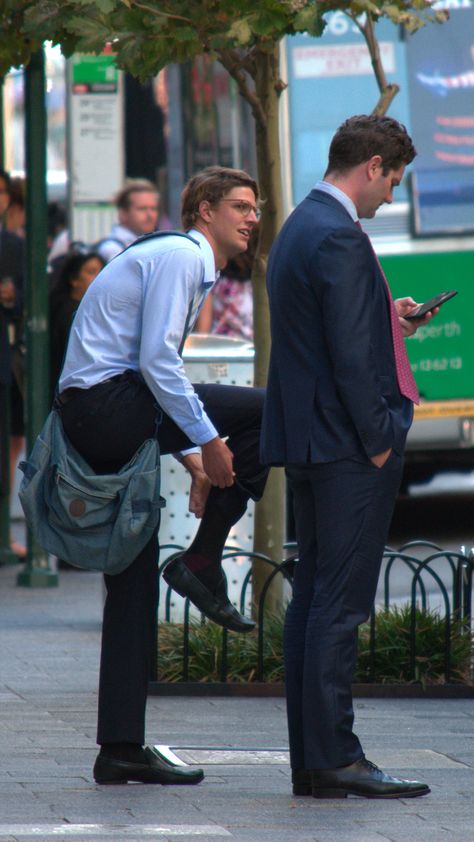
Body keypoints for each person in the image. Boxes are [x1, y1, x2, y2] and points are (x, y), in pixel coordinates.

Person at [55, 165, 268, 785]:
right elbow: (155, 364)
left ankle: (119, 748)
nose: (252, 218)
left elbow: (145, 373)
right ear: (204, 210)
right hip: (107, 405)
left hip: (103, 411)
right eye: (239, 205)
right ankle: (202, 560)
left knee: (133, 580)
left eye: (254, 208)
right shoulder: (184, 256)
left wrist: (193, 459)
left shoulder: (180, 259)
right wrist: (208, 441)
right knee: (270, 412)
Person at [261, 115, 438, 800]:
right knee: (338, 608)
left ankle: (317, 759)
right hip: (345, 446)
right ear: (370, 165)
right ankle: (335, 757)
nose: (391, 196)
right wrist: (381, 435)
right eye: (393, 180)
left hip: (313, 440)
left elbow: (333, 330)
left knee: (314, 603)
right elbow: (350, 356)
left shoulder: (304, 224)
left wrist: (389, 318)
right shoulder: (338, 233)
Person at [0, 168, 25, 557]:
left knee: (9, 443)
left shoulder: (13, 245)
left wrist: (11, 298)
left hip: (5, 363)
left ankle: (4, 534)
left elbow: (26, 300)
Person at [49, 250, 105, 396]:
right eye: (91, 272)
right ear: (74, 279)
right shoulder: (71, 312)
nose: (98, 277)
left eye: (102, 271)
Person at [195, 227, 256, 340]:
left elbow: (203, 330)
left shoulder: (215, 279)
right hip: (226, 349)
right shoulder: (214, 278)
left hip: (223, 348)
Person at [95, 178, 160, 263]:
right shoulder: (112, 249)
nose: (150, 215)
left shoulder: (155, 243)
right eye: (142, 209)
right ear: (123, 213)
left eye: (153, 208)